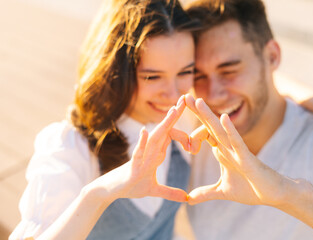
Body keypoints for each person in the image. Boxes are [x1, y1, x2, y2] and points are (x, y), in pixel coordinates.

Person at [9, 0, 200, 239]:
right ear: (114, 72)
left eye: (185, 72)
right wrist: (98, 195)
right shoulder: (71, 145)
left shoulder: (181, 122)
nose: (173, 94)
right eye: (152, 77)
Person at [183, 0, 313, 239]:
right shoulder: (191, 130)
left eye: (229, 71)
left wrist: (287, 193)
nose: (213, 94)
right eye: (199, 76)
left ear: (273, 56)